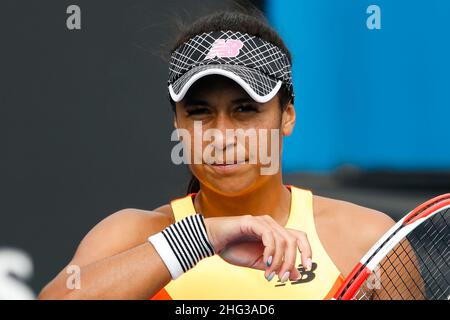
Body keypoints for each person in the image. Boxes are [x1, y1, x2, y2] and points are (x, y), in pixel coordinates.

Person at [38, 8, 394, 300]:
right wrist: (198, 240)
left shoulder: (366, 237)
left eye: (244, 109)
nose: (221, 136)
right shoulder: (128, 235)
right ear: (177, 121)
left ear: (287, 116)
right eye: (199, 112)